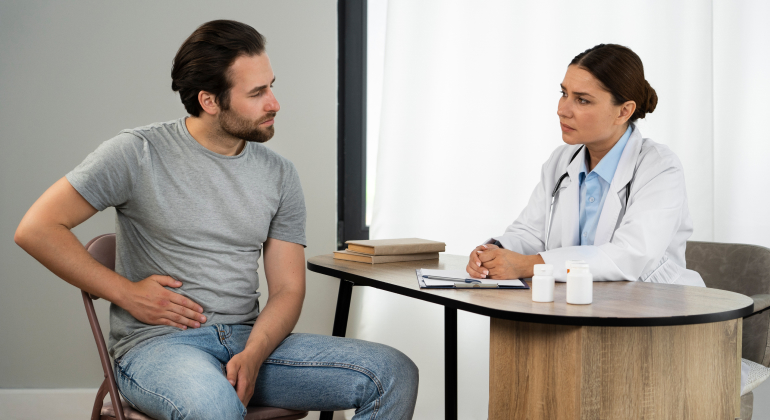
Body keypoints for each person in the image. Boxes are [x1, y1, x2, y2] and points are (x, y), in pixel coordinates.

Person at [15, 20, 418, 420]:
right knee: (215, 408)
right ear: (209, 101)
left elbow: (288, 289)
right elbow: (36, 229)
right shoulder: (137, 153)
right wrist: (126, 293)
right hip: (160, 348)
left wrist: (255, 352)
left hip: (251, 340)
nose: (274, 102)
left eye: (271, 85)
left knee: (392, 373)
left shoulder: (279, 174)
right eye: (257, 92)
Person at [466, 44, 705, 287]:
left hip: (656, 308)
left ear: (624, 111)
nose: (562, 110)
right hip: (581, 304)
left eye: (582, 100)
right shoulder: (561, 161)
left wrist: (528, 264)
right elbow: (529, 233)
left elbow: (631, 255)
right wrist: (494, 252)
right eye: (564, 94)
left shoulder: (660, 168)